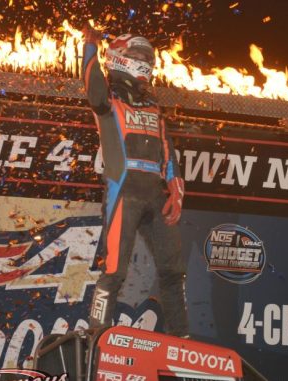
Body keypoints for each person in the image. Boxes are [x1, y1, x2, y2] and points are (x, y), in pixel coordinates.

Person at [81, 26, 189, 337]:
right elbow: (93, 87)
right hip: (123, 191)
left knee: (173, 271)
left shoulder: (154, 106)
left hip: (156, 195)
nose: (143, 61)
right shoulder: (108, 101)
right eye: (137, 55)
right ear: (119, 59)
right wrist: (91, 47)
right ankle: (97, 335)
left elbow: (167, 150)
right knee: (114, 270)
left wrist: (176, 191)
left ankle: (181, 338)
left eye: (147, 56)